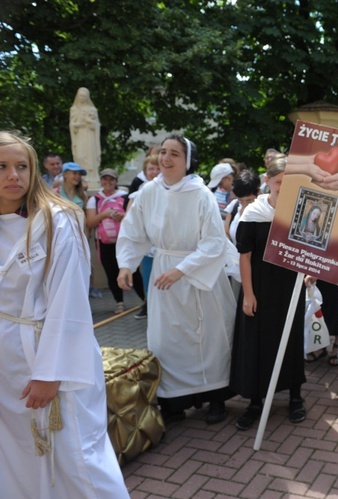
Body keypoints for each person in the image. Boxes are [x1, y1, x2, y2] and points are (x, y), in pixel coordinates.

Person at [0, 131, 128, 498]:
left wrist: (50, 373)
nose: (14, 175)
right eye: (3, 167)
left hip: (51, 355)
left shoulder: (57, 221)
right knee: (17, 455)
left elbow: (70, 301)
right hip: (7, 362)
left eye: (22, 166)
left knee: (77, 458)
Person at [117, 134, 236, 425]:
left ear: (188, 161)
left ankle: (216, 398)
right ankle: (173, 402)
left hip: (198, 273)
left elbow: (213, 242)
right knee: (166, 338)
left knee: (207, 338)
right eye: (163, 153)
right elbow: (133, 231)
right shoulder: (148, 191)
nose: (165, 159)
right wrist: (125, 265)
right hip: (162, 272)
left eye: (174, 154)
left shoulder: (201, 194)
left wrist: (182, 269)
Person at [230, 156, 308, 429]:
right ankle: (255, 401)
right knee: (257, 343)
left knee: (291, 340)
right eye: (278, 182)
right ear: (268, 182)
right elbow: (245, 256)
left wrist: (310, 271)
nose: (283, 188)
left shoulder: (302, 213)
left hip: (290, 288)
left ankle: (295, 397)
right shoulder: (253, 214)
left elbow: (311, 251)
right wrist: (248, 294)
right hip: (259, 288)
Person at [86, 168, 145, 314]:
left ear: (116, 181)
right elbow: (90, 221)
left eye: (111, 179)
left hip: (124, 240)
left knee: (134, 271)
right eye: (105, 179)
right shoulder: (95, 200)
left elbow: (134, 216)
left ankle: (145, 299)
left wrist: (122, 215)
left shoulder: (125, 197)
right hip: (105, 243)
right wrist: (105, 214)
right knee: (111, 273)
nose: (108, 182)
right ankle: (119, 302)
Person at [127, 153, 161, 320]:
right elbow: (130, 219)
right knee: (148, 282)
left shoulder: (169, 190)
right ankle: (151, 312)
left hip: (165, 248)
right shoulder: (139, 193)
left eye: (157, 168)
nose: (154, 171)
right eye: (150, 168)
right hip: (148, 247)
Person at [69, 87, 101, 178]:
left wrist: (89, 122)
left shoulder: (92, 110)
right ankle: (81, 176)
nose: (82, 98)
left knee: (91, 157)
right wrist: (78, 124)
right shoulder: (74, 109)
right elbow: (72, 124)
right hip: (79, 135)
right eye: (80, 96)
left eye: (84, 96)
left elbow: (96, 125)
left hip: (89, 135)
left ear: (87, 97)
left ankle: (91, 177)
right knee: (80, 156)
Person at [224, 169, 261, 244]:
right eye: (241, 200)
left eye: (249, 201)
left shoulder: (265, 211)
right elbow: (226, 233)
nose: (245, 205)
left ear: (258, 193)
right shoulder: (234, 206)